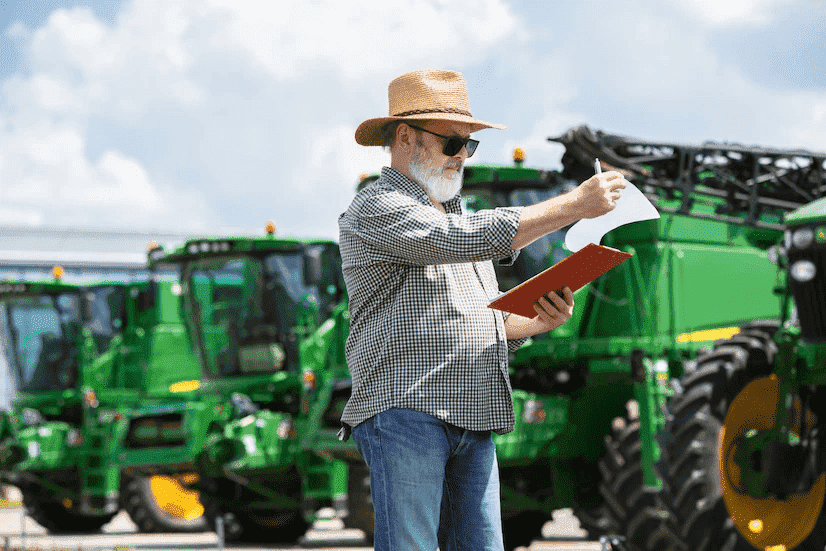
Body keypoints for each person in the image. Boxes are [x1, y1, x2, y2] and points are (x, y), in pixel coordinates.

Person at [338, 69, 626, 551]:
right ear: (407, 138)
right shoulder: (377, 206)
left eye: (468, 148)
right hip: (409, 411)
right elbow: (460, 240)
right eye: (454, 144)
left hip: (472, 412)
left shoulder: (452, 216)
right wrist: (574, 204)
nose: (462, 158)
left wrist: (537, 321)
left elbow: (476, 319)